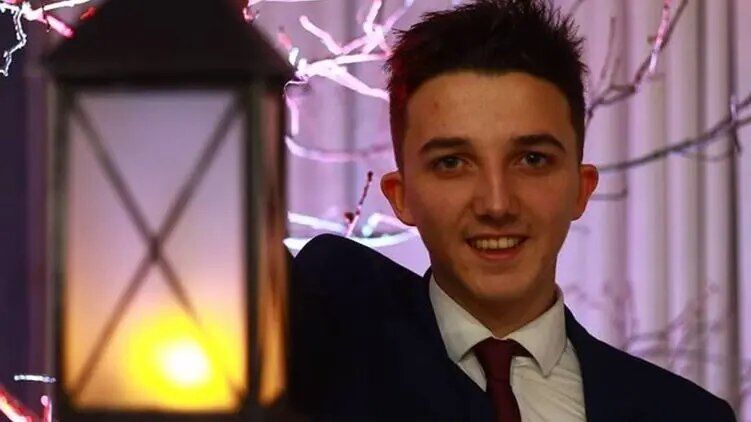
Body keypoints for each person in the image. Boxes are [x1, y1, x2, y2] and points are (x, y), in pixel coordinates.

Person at [287, 1, 736, 421]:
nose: (496, 204)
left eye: (532, 159)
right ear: (400, 196)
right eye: (452, 163)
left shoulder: (686, 414)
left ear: (581, 189)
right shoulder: (322, 350)